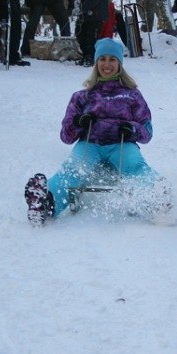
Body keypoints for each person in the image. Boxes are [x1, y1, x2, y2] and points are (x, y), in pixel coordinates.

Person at [24, 38, 163, 226]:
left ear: (119, 64)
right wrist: (78, 122)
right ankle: (46, 203)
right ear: (96, 63)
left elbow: (147, 132)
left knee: (136, 167)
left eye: (112, 59)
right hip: (90, 144)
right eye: (102, 59)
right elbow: (66, 136)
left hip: (121, 144)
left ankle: (157, 199)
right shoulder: (82, 96)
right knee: (73, 170)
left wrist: (132, 128)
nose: (107, 64)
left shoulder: (132, 95)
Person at [72, 0, 108, 67]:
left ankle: (91, 57)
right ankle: (84, 56)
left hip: (95, 15)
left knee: (91, 37)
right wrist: (76, 0)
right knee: (80, 33)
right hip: (84, 15)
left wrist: (81, 8)